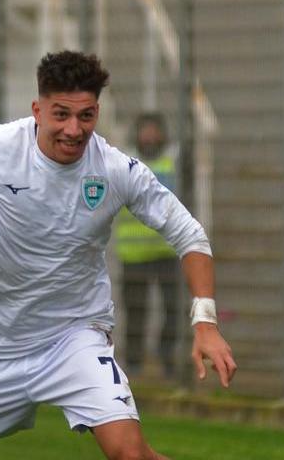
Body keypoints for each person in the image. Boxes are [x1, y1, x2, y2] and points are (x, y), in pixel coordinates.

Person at [0, 50, 236, 460]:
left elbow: (190, 235)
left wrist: (205, 321)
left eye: (86, 116)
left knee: (130, 454)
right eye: (61, 115)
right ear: (37, 110)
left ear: (97, 113)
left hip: (75, 338)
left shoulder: (115, 169)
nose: (74, 129)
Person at [116, 112, 181, 379]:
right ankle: (134, 362)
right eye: (146, 130)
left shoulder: (172, 161)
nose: (150, 136)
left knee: (172, 308)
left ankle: (167, 357)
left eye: (155, 130)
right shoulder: (125, 163)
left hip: (166, 250)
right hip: (133, 253)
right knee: (135, 311)